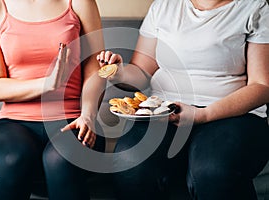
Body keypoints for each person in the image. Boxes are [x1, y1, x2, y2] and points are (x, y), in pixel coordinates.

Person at [97, 0, 269, 199]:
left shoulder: (254, 8)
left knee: (211, 171)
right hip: (164, 113)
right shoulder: (163, 6)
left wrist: (202, 114)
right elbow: (143, 69)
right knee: (130, 161)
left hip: (232, 116)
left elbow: (262, 86)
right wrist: (119, 73)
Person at [0, 0, 106, 199]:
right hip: (14, 123)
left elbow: (95, 68)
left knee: (59, 159)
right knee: (14, 158)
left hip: (74, 120)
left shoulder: (80, 3)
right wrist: (46, 84)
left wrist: (88, 115)